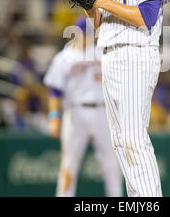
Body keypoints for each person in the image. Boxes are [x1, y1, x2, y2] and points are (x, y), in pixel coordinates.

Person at [74, 0, 170, 196]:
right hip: (111, 54)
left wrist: (101, 0)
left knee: (132, 137)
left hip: (136, 52)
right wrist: (91, 5)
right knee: (119, 140)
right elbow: (100, 24)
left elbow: (146, 17)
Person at [43, 16, 122, 197]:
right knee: (69, 163)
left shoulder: (103, 52)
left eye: (90, 34)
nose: (89, 37)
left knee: (111, 164)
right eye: (85, 34)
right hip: (75, 112)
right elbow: (55, 90)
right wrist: (54, 117)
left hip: (104, 113)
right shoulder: (64, 57)